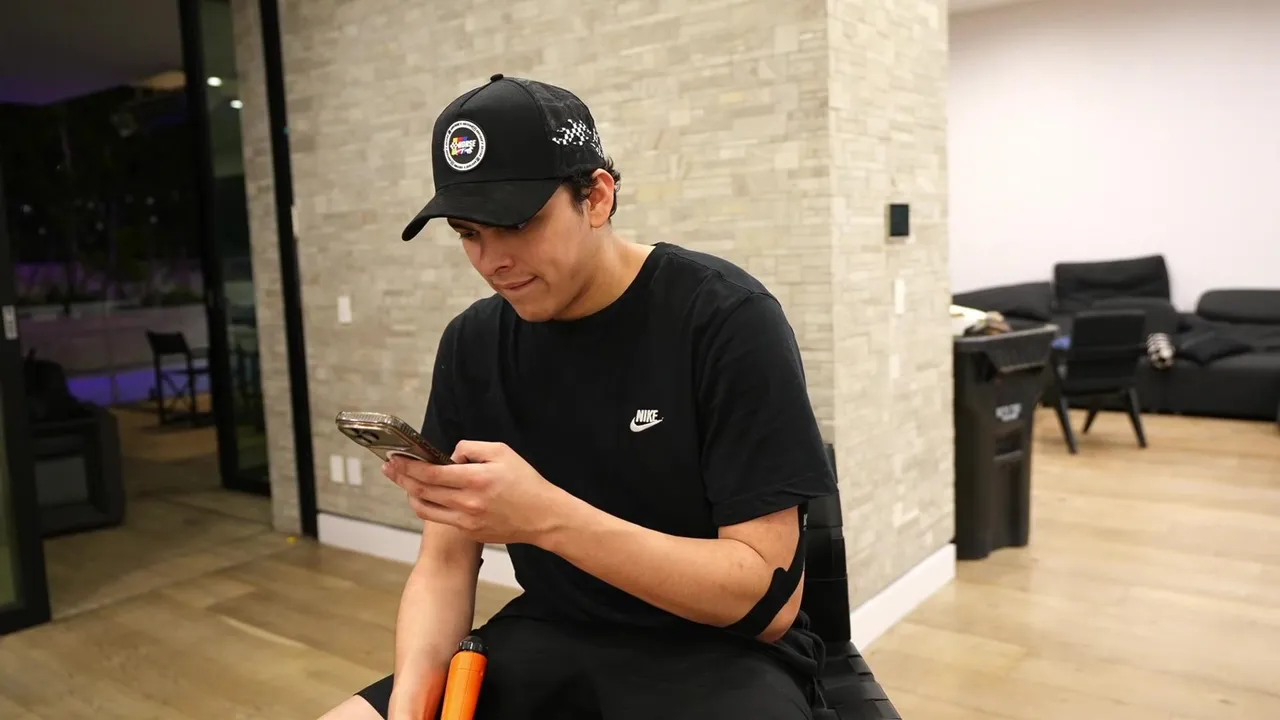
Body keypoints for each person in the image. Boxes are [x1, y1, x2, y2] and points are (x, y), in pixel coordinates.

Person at [321, 73, 838, 720]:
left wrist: (544, 517)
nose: (491, 261)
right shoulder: (473, 343)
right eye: (468, 232)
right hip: (552, 633)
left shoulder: (725, 319)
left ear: (596, 197)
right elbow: (445, 563)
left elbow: (766, 602)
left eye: (516, 224)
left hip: (719, 654)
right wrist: (410, 704)